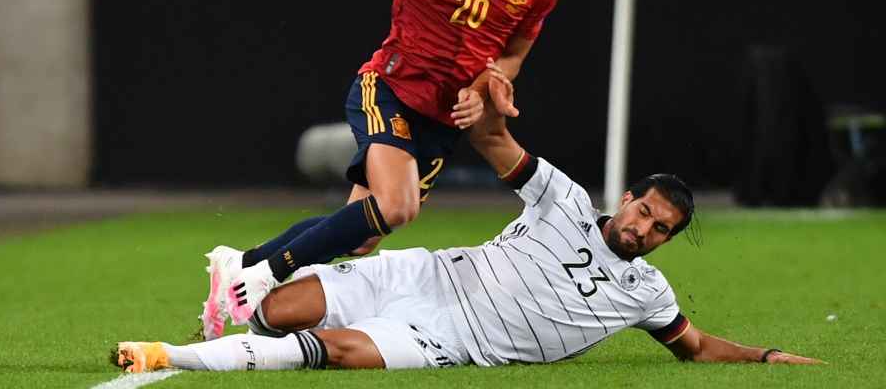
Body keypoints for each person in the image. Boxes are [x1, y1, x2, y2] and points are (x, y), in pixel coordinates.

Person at [114, 67, 821, 372]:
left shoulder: (648, 295)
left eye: (658, 228)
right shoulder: (566, 199)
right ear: (629, 196)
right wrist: (482, 98)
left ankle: (167, 357)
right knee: (279, 312)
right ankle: (244, 278)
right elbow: (497, 145)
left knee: (333, 350)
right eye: (643, 209)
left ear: (664, 240)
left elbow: (694, 348)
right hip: (428, 273)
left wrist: (762, 356)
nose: (642, 227)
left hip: (454, 336)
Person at [201, 0, 566, 340]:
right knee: (397, 207)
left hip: (442, 121)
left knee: (358, 236)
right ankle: (259, 278)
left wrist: (485, 86)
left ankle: (240, 262)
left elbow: (513, 55)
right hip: (389, 86)